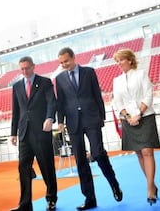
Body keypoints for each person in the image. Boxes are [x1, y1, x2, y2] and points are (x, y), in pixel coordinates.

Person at [55, 47, 122, 210]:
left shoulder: (89, 72)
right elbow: (61, 102)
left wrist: (101, 118)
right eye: (61, 62)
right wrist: (61, 121)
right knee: (80, 161)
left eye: (66, 61)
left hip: (92, 118)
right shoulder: (59, 79)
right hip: (73, 122)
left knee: (98, 153)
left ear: (73, 57)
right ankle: (90, 199)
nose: (64, 65)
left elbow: (97, 95)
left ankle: (114, 184)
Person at [112, 49, 160, 206]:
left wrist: (139, 113)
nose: (119, 63)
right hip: (128, 120)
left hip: (145, 116)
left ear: (130, 60)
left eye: (121, 60)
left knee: (147, 151)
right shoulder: (116, 81)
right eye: (117, 61)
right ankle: (152, 184)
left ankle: (150, 190)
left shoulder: (141, 74)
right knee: (139, 154)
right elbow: (117, 102)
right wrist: (127, 117)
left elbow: (148, 95)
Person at [10, 56, 58, 211]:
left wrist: (50, 117)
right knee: (23, 168)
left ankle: (51, 199)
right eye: (22, 69)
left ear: (33, 66)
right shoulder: (16, 86)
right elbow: (16, 111)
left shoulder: (44, 82)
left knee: (46, 166)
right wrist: (13, 133)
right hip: (24, 133)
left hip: (41, 132)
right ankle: (25, 204)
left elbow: (52, 101)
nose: (25, 71)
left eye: (27, 68)